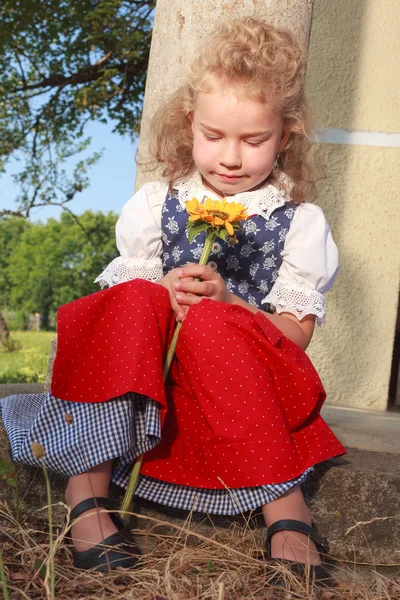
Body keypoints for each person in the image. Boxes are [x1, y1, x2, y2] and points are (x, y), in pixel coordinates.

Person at [0, 17, 345, 580]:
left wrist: (232, 304)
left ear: (285, 137)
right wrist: (160, 293)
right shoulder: (155, 204)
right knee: (133, 299)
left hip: (247, 389)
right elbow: (120, 316)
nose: (231, 157)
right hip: (156, 392)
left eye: (254, 140)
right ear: (190, 125)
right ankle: (85, 492)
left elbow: (296, 340)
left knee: (211, 323)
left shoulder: (299, 223)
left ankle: (286, 508)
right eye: (214, 135)